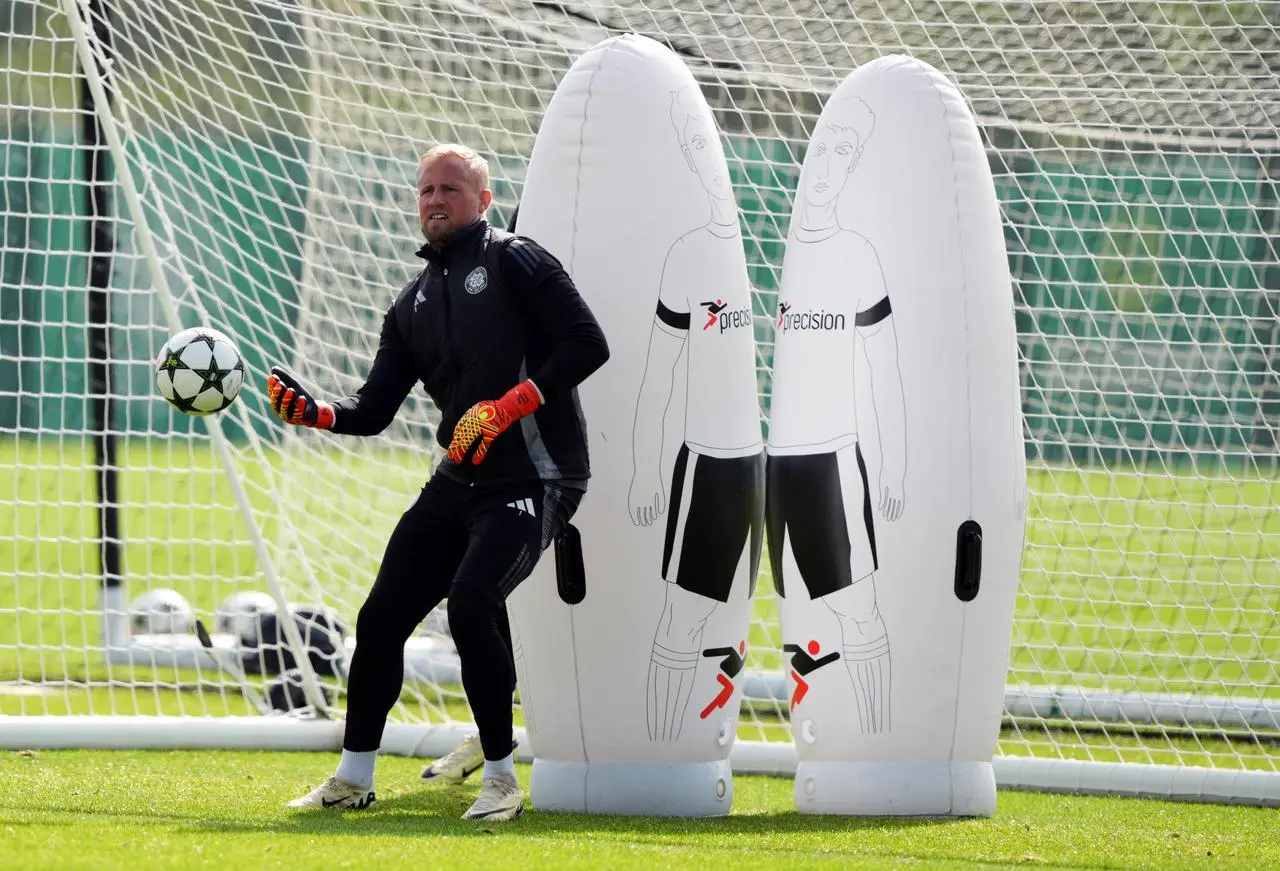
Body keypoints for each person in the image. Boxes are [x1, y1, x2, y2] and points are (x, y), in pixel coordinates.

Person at [277, 144, 609, 821]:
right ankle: (354, 776)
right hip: (460, 479)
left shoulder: (518, 258)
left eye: (450, 188)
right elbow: (372, 411)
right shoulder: (411, 304)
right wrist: (317, 413)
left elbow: (587, 341)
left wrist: (511, 405)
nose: (434, 199)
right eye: (426, 188)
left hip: (539, 473)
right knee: (380, 618)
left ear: (483, 200)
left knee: (470, 603)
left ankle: (500, 780)